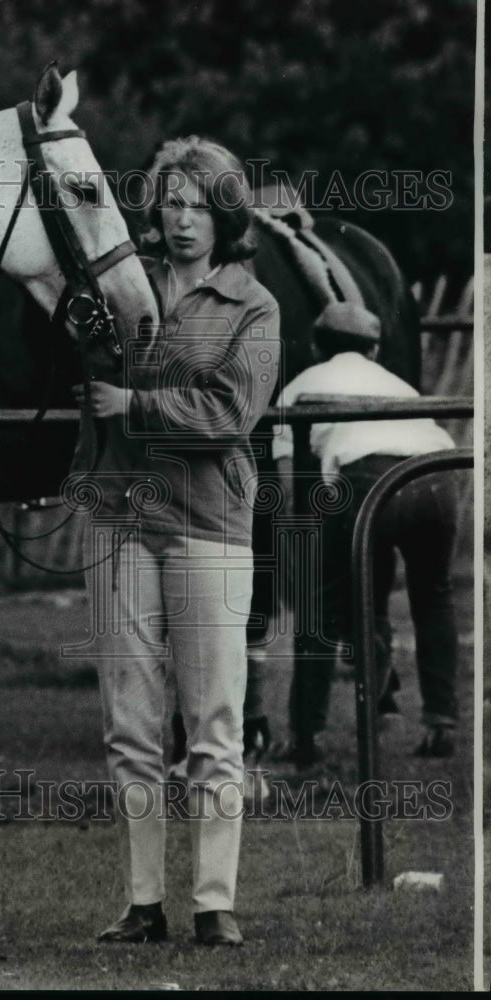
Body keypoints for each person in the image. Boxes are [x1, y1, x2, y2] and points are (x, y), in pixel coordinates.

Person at [73, 136, 280, 947]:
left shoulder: (251, 306)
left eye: (199, 204)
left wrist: (136, 407)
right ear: (154, 210)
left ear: (225, 215)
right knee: (128, 721)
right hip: (120, 519)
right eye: (171, 201)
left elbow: (232, 415)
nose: (183, 217)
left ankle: (215, 900)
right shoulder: (123, 291)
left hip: (208, 526)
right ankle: (142, 901)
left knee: (212, 721)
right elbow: (83, 385)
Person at [272, 301, 459, 765]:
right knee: (433, 596)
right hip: (438, 476)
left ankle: (305, 733)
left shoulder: (300, 385)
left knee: (321, 610)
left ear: (317, 346)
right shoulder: (397, 385)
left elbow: (289, 475)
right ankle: (441, 721)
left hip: (367, 480)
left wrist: (307, 544)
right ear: (373, 349)